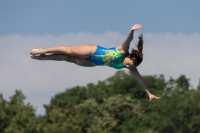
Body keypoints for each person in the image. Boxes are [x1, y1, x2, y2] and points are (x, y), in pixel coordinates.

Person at [30, 24, 160, 101]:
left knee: (67, 59)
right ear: (129, 56)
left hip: (92, 63)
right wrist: (131, 30)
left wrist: (148, 92)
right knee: (68, 51)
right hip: (93, 51)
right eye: (128, 63)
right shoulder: (122, 50)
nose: (127, 66)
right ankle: (43, 50)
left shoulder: (130, 67)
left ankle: (42, 58)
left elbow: (140, 80)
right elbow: (128, 40)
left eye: (129, 66)